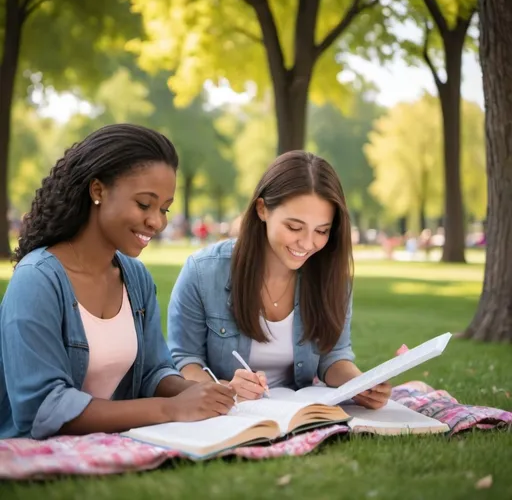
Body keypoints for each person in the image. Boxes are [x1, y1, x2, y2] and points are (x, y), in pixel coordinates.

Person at [0, 124, 234, 440]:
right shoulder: (38, 280)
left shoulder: (135, 278)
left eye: (164, 208)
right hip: (29, 452)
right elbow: (42, 407)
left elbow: (153, 371)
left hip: (109, 444)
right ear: (98, 191)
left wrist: (199, 392)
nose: (158, 222)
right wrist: (170, 409)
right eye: (144, 204)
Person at [168, 151, 391, 408]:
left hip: (296, 412)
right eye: (294, 227)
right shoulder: (202, 272)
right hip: (227, 413)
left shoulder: (333, 278)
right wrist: (222, 389)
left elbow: (334, 358)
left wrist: (362, 384)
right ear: (262, 209)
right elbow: (185, 360)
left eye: (322, 231)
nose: (307, 243)